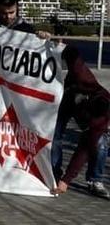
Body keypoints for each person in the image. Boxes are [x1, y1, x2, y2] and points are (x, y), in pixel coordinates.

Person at [52, 46, 110, 198]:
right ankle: (53, 172)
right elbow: (74, 56)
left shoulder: (101, 121)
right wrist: (58, 47)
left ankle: (94, 180)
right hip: (65, 99)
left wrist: (67, 180)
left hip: (84, 115)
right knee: (54, 134)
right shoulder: (86, 78)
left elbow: (84, 149)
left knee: (100, 143)